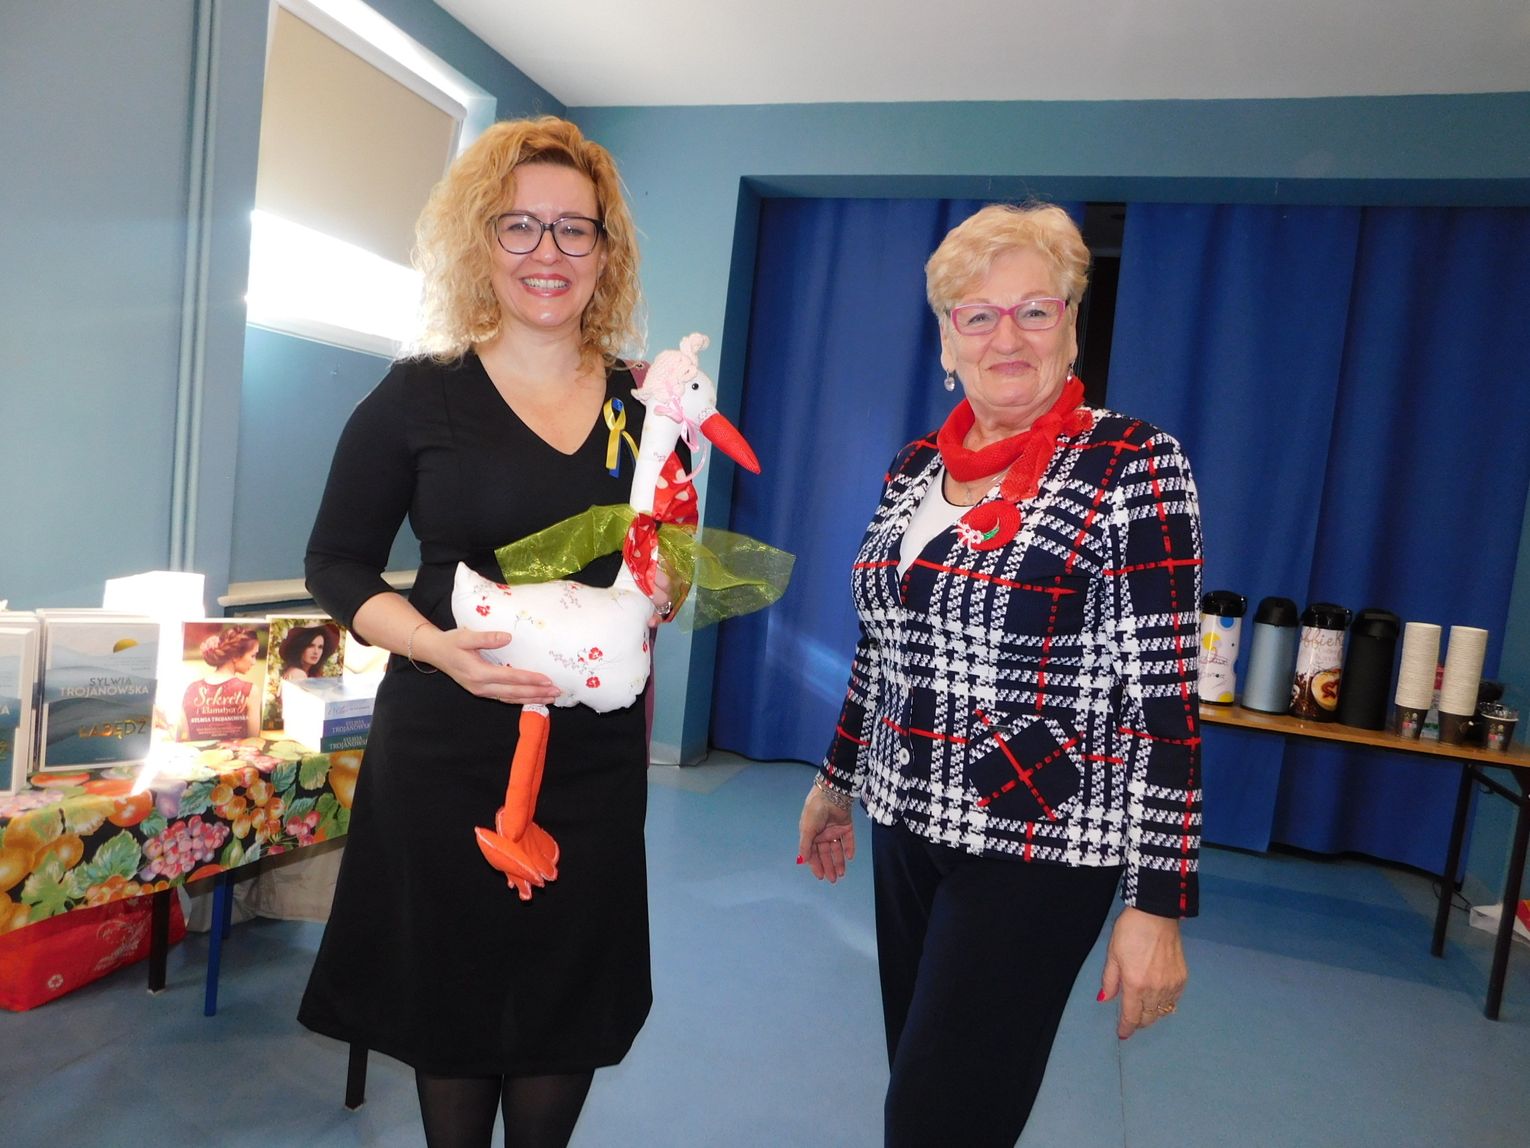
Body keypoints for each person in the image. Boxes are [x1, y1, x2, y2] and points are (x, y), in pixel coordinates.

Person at [297, 116, 670, 1148]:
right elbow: (335, 562)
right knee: (452, 998)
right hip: (446, 749)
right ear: (481, 241)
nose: (548, 251)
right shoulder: (421, 393)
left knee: (563, 995)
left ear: (605, 251)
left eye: (574, 229)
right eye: (520, 226)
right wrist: (431, 646)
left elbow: (658, 565)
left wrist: (662, 585)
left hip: (589, 754)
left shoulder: (644, 406)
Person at [796, 203, 1204, 1146]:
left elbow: (1165, 700)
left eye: (1034, 310)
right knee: (927, 1086)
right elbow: (885, 646)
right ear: (947, 340)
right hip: (907, 823)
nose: (1006, 336)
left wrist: (1157, 902)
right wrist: (837, 780)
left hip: (1039, 844)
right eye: (977, 315)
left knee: (934, 1119)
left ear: (1071, 325)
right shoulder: (915, 469)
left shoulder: (1131, 464)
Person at [177, 625, 261, 740]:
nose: (254, 662)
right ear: (235, 656)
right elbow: (253, 741)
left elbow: (187, 739)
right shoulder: (250, 691)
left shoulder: (191, 689)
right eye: (253, 656)